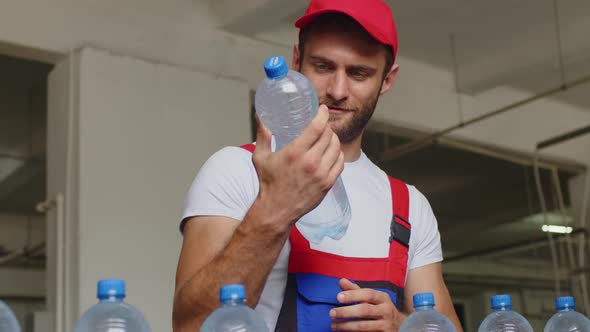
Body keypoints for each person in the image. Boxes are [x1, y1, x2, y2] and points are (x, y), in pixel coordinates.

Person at [173, 0, 463, 331]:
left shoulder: (409, 207)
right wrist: (274, 209)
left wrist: (400, 324)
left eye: (359, 73)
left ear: (387, 79)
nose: (337, 91)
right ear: (297, 61)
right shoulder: (237, 170)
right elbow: (191, 325)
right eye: (323, 67)